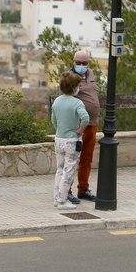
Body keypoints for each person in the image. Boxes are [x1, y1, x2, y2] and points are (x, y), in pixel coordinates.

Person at [52, 72, 89, 210]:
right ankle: (63, 200)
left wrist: (60, 129)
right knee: (69, 170)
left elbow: (53, 120)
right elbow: (85, 118)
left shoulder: (57, 101)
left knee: (59, 170)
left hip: (59, 139)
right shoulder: (77, 103)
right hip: (71, 141)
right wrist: (79, 130)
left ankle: (56, 198)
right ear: (74, 87)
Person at [68, 50, 100, 204]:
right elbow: (65, 99)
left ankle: (83, 189)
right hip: (78, 126)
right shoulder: (69, 77)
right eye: (78, 63)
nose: (81, 66)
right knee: (72, 159)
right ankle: (66, 190)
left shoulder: (91, 74)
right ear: (73, 62)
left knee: (87, 159)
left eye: (84, 63)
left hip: (92, 124)